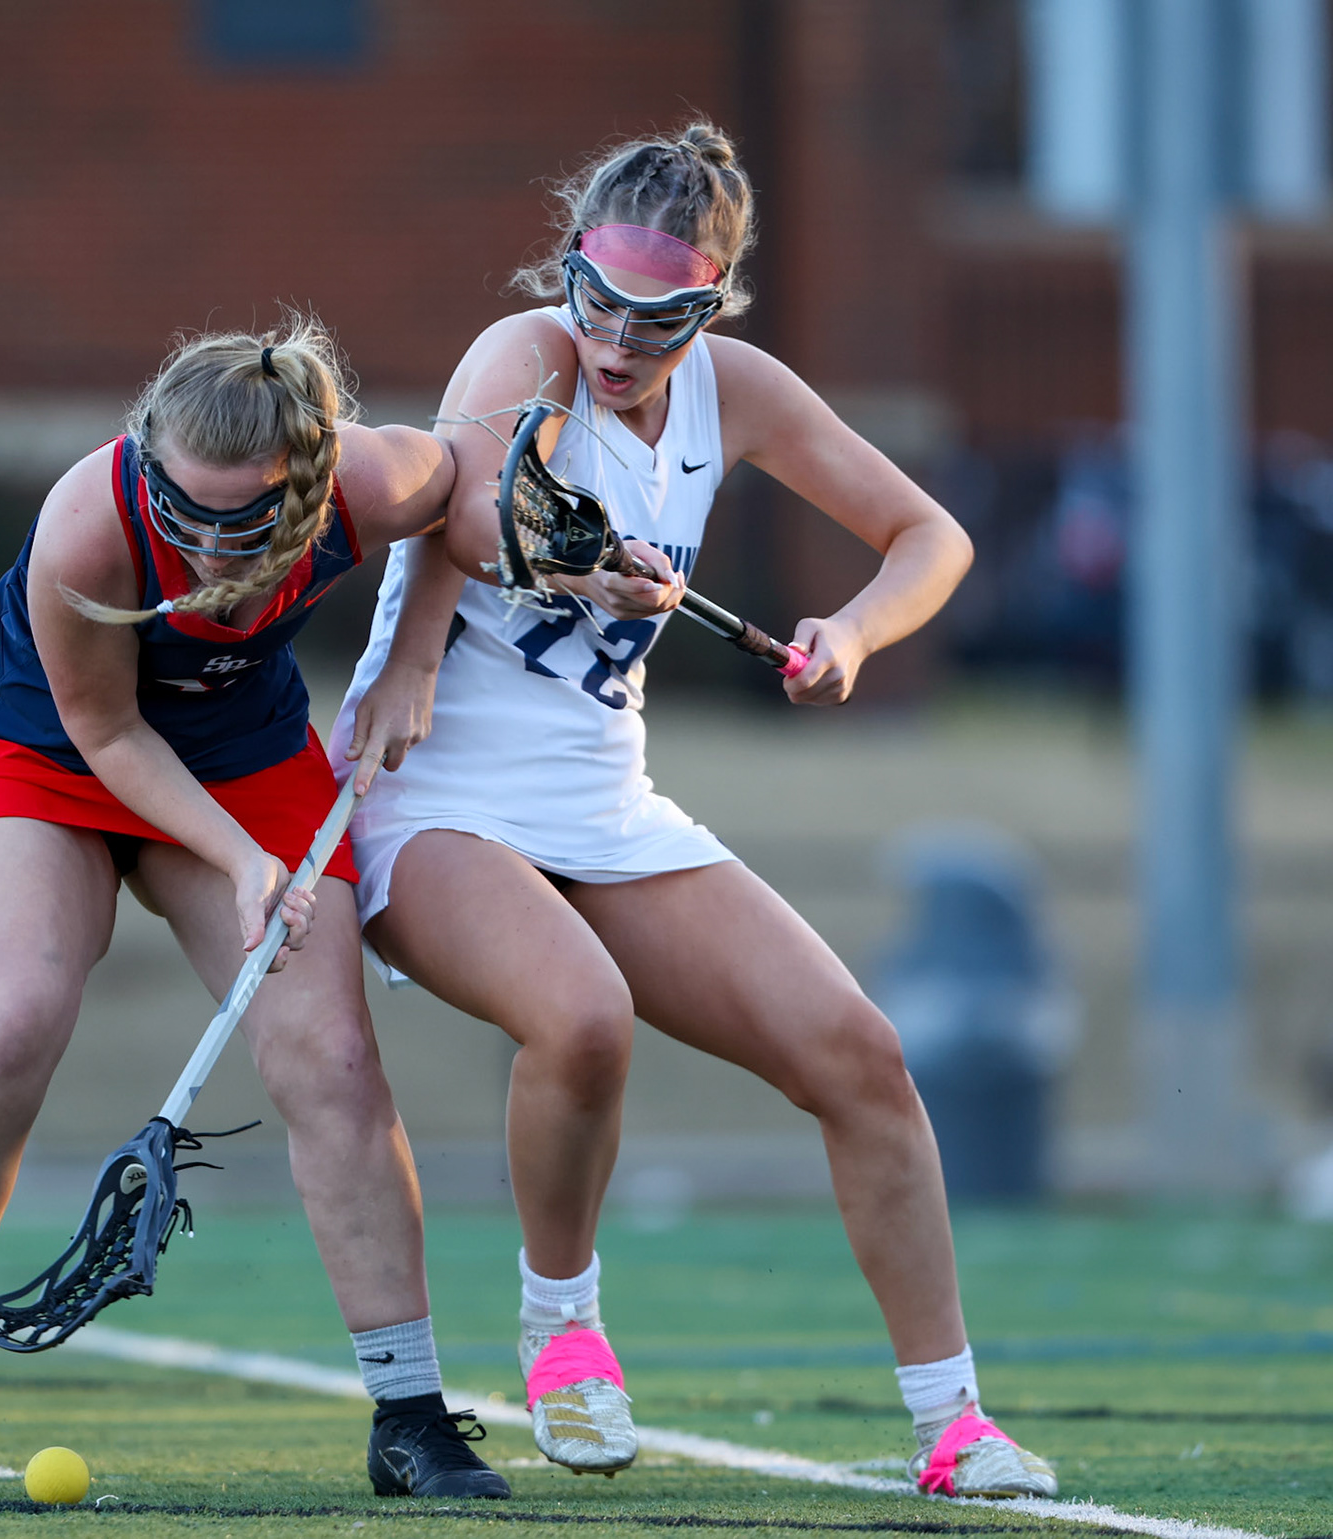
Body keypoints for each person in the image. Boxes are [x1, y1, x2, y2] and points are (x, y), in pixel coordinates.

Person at [330, 120, 1059, 1499]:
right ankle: (564, 1333)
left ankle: (954, 1424)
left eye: (655, 319)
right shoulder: (526, 354)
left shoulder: (741, 391)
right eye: (596, 300)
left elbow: (934, 538)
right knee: (582, 1013)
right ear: (570, 270)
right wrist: (569, 571)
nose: (614, 341)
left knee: (862, 1056)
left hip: (607, 801)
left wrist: (851, 632)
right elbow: (459, 507)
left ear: (712, 303)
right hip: (434, 794)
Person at [0, 320, 509, 1500]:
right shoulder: (89, 523)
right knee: (11, 1016)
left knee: (333, 1058)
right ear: (147, 458)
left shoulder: (360, 481)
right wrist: (241, 863)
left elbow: (466, 485)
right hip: (36, 751)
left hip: (240, 755)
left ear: (305, 479)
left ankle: (410, 1415)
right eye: (184, 511)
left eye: (247, 520)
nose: (208, 545)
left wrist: (415, 656)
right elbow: (107, 731)